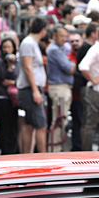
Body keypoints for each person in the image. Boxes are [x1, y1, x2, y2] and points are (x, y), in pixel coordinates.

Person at [17, 18, 50, 154]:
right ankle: (43, 158)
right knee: (40, 125)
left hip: (32, 89)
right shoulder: (28, 43)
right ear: (43, 30)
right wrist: (35, 90)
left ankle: (28, 156)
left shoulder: (32, 43)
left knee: (30, 125)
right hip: (30, 90)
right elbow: (27, 68)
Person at [46, 25, 74, 152]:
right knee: (58, 120)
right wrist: (75, 62)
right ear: (54, 36)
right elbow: (69, 68)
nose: (64, 39)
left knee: (62, 121)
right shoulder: (54, 50)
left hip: (63, 87)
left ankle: (58, 149)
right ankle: (55, 150)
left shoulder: (62, 48)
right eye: (61, 36)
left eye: (65, 36)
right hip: (58, 88)